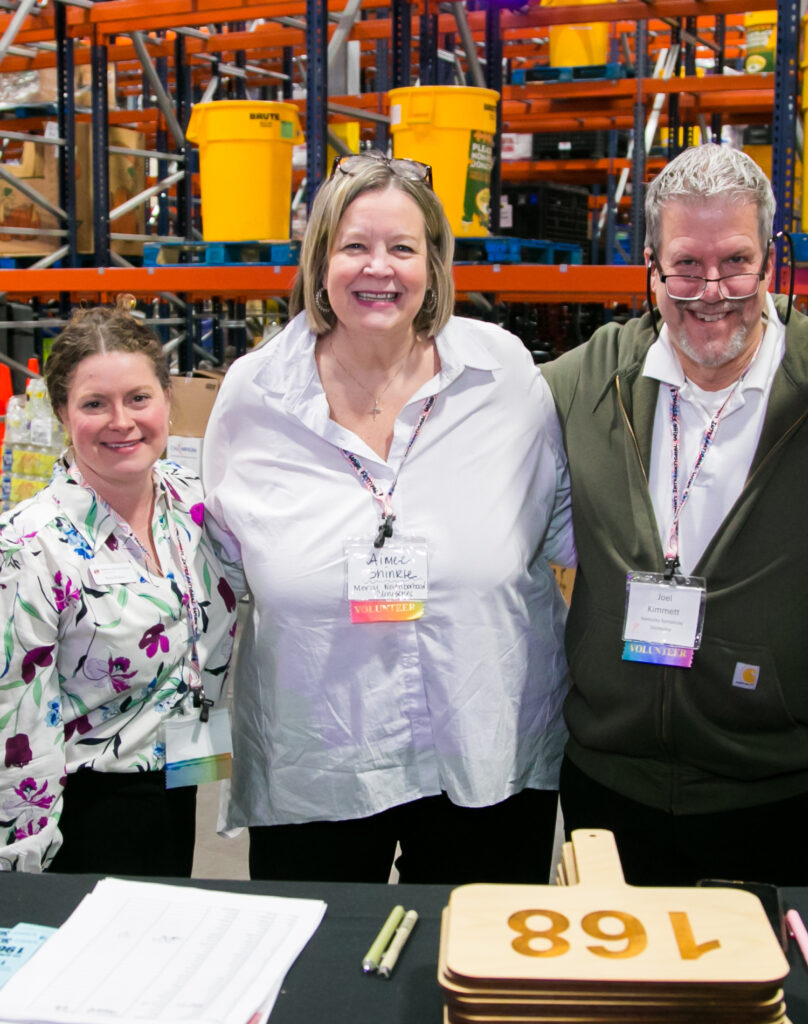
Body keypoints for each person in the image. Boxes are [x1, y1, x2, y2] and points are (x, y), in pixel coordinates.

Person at [202, 152, 573, 885]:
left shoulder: (501, 378)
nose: (381, 268)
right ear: (321, 261)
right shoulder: (255, 395)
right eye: (355, 246)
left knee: (480, 979)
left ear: (434, 262)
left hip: (486, 754)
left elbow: (569, 528)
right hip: (319, 763)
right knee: (321, 978)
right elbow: (211, 568)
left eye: (403, 247)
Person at [542, 143, 808, 887]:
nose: (711, 290)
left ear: (771, 260)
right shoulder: (589, 378)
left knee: (758, 995)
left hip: (772, 787)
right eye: (686, 265)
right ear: (651, 267)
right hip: (611, 778)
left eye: (735, 262)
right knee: (619, 998)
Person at [0, 301, 237, 874]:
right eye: (94, 404)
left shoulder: (197, 504)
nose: (121, 421)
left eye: (138, 398)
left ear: (165, 399)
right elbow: (14, 717)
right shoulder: (27, 545)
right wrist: (21, 861)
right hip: (84, 809)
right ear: (62, 412)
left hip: (182, 780)